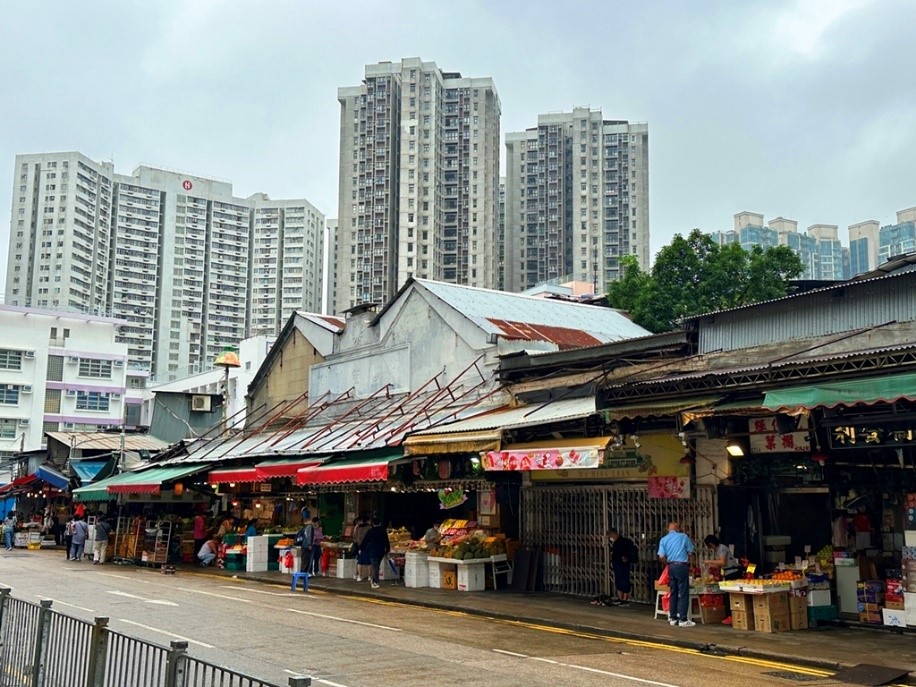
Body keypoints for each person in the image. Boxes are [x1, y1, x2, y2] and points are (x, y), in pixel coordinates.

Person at [657, 521, 695, 627]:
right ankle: (683, 619)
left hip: (671, 566)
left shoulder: (663, 539)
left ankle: (673, 618)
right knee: (683, 593)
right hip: (681, 565)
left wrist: (668, 563)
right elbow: (690, 551)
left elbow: (661, 556)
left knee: (673, 592)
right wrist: (691, 565)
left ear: (668, 529)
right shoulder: (683, 537)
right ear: (678, 528)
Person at [608, 528, 636, 606]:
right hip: (617, 564)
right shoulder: (616, 543)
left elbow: (630, 553)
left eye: (609, 535)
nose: (609, 538)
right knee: (618, 580)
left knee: (624, 580)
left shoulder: (624, 542)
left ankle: (624, 599)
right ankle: (620, 598)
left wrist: (627, 558)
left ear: (613, 534)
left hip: (623, 564)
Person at [359, 517, 390, 589]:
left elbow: (365, 541)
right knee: (376, 566)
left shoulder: (370, 531)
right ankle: (374, 580)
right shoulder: (383, 531)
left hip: (373, 551)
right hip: (381, 551)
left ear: (372, 524)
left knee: (375, 567)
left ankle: (374, 581)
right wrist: (387, 550)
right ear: (380, 523)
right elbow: (387, 542)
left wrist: (361, 548)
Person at [352, 515, 372, 581]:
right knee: (369, 562)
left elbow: (354, 537)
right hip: (367, 546)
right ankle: (369, 576)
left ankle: (359, 576)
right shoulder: (369, 528)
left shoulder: (358, 528)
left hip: (359, 546)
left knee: (359, 561)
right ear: (368, 521)